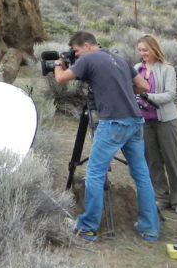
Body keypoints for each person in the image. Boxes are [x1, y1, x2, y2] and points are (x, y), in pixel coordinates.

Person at [54, 31, 160, 242]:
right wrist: (121, 89)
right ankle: (149, 229)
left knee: (94, 173)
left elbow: (60, 78)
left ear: (85, 45)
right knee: (141, 175)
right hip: (135, 121)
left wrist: (59, 62)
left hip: (113, 122)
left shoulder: (90, 58)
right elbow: (144, 86)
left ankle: (88, 227)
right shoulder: (119, 58)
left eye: (76, 51)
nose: (76, 55)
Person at [135, 34, 177, 215]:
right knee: (152, 161)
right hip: (145, 121)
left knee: (172, 159)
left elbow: (169, 94)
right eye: (140, 50)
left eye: (145, 50)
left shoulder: (167, 69)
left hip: (166, 121)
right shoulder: (136, 68)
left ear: (154, 50)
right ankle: (161, 197)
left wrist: (147, 96)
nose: (143, 53)